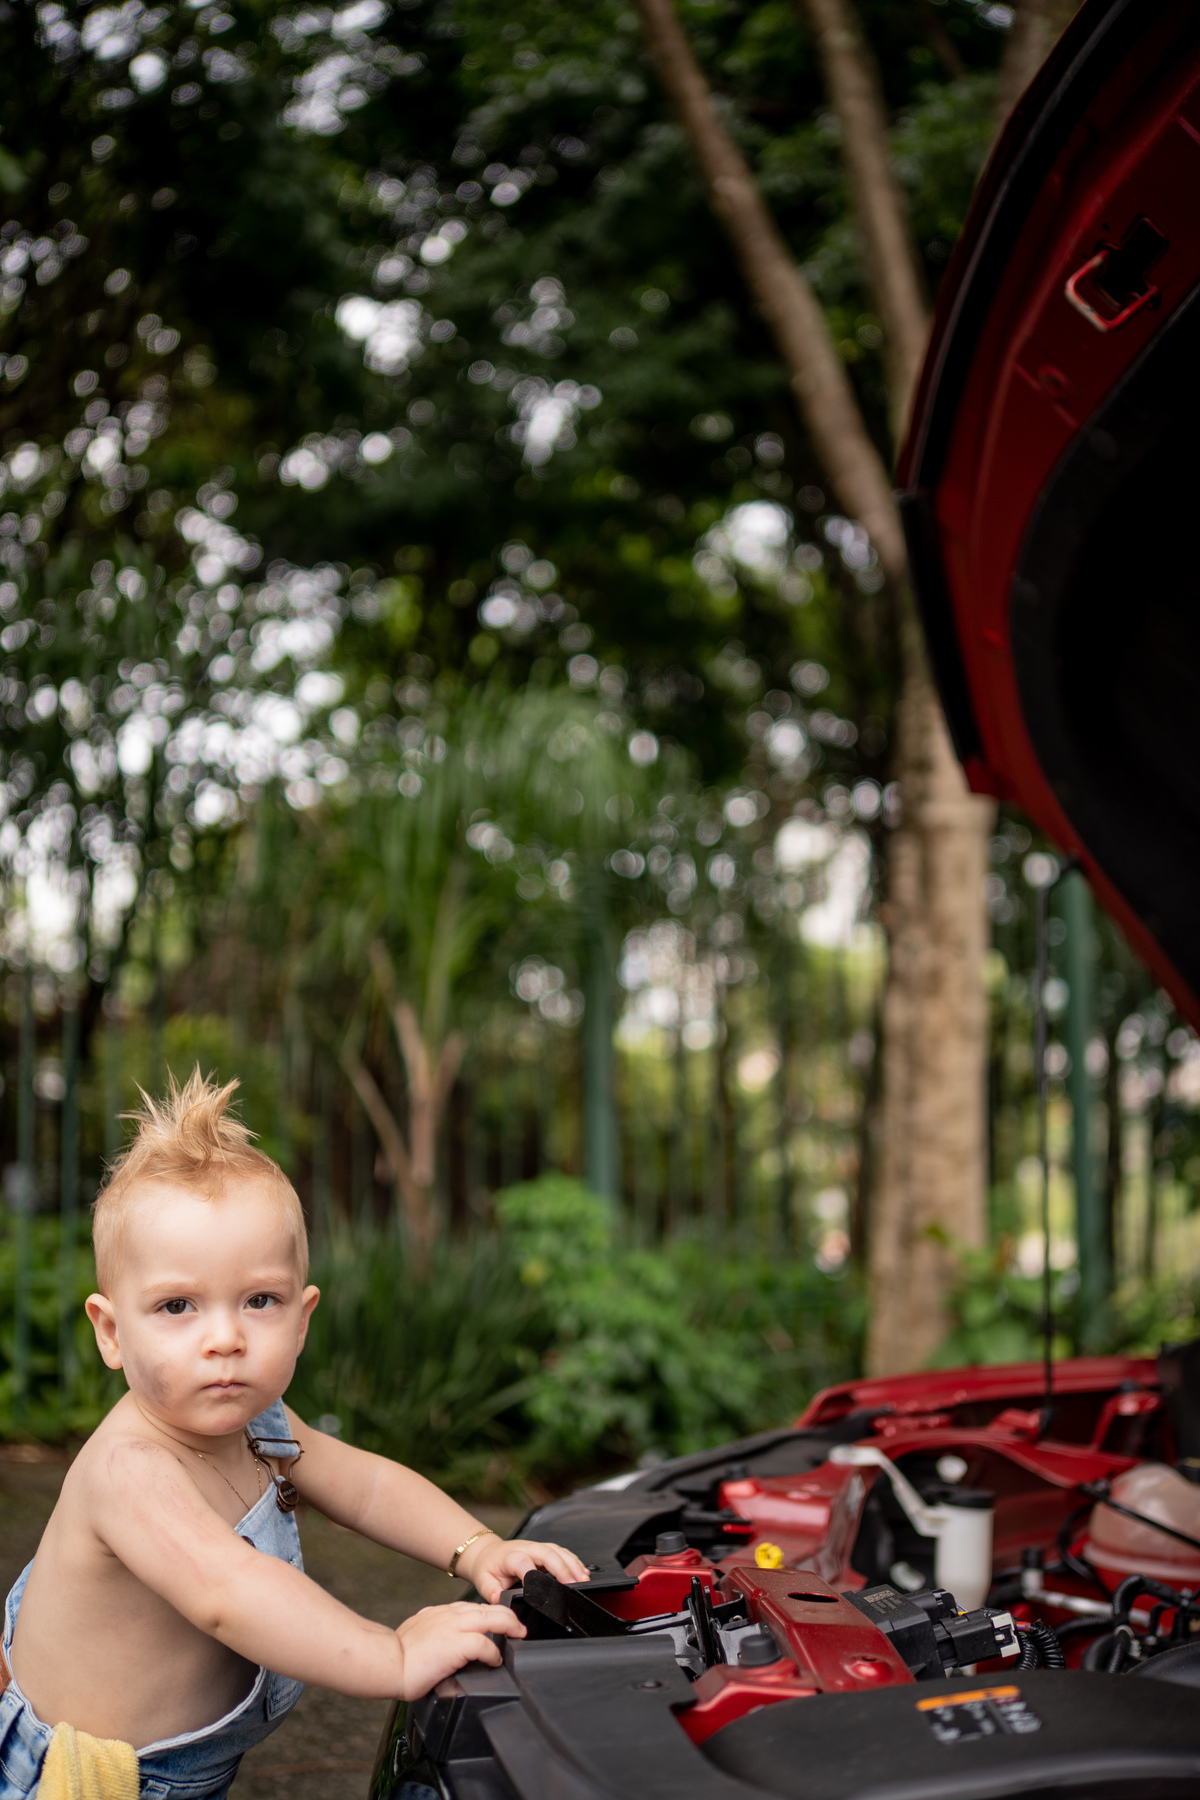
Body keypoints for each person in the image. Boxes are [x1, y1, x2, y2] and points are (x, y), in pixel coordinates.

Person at [0, 1070, 588, 1799]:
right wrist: (393, 1654)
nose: (224, 1338)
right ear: (112, 1332)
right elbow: (228, 1589)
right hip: (89, 1783)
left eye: (259, 1301)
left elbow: (368, 1488)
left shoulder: (264, 1429)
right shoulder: (130, 1470)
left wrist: (477, 1547)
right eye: (178, 1305)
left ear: (303, 1317)